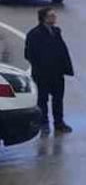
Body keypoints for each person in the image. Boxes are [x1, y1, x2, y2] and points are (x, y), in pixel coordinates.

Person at [24, 7, 74, 135]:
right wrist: (40, 67)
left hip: (57, 73)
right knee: (42, 99)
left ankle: (59, 123)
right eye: (51, 16)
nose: (54, 18)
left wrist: (65, 67)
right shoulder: (34, 34)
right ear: (44, 18)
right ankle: (43, 123)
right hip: (42, 74)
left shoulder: (56, 32)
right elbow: (29, 54)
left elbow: (62, 51)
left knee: (58, 99)